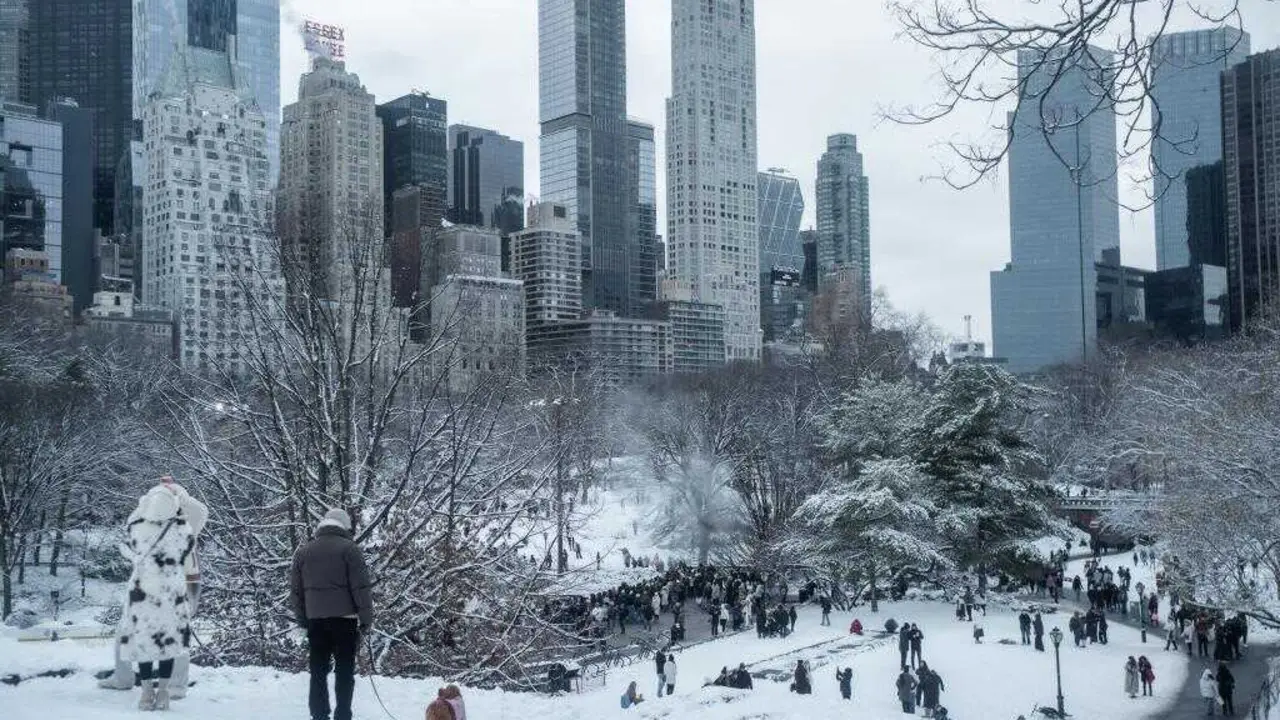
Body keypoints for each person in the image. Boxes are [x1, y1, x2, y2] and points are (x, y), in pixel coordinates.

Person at [116, 483, 197, 711]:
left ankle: (145, 693)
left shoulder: (138, 528)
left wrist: (145, 501)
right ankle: (163, 693)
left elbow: (132, 519)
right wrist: (178, 496)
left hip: (142, 595)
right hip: (170, 595)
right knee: (167, 644)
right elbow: (196, 518)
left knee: (143, 644)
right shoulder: (182, 530)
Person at [291, 509, 374, 720]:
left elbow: (297, 591)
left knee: (318, 671)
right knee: (344, 671)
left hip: (315, 620)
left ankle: (319, 715)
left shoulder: (303, 552)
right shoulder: (349, 549)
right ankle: (343, 714)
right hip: (344, 621)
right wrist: (366, 619)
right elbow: (360, 588)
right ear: (344, 527)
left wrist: (302, 618)